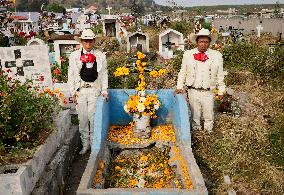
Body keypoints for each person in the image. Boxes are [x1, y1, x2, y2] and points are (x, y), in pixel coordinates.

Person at [175, 28, 225, 133]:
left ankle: (208, 135)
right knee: (195, 115)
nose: (203, 44)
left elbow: (220, 75)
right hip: (193, 90)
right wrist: (179, 87)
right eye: (201, 41)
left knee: (209, 115)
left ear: (210, 43)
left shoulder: (217, 56)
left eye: (206, 42)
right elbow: (182, 72)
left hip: (209, 91)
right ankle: (196, 134)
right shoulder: (188, 54)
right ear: (197, 42)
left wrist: (221, 90)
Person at [68, 29, 109, 154]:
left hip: (94, 90)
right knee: (83, 119)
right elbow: (71, 74)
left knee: (93, 118)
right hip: (80, 91)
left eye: (90, 40)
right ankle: (85, 144)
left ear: (93, 41)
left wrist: (104, 90)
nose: (88, 43)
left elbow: (104, 74)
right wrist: (73, 92)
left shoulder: (100, 55)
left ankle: (93, 144)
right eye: (85, 41)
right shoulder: (74, 56)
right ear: (81, 41)